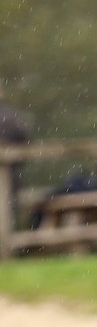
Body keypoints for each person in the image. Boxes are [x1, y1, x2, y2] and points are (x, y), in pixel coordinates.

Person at [0, 82, 30, 229]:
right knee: (9, 211)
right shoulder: (11, 116)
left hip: (10, 175)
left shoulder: (10, 116)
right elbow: (25, 140)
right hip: (12, 176)